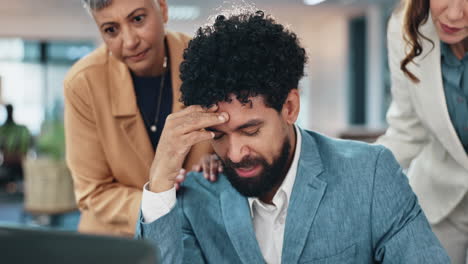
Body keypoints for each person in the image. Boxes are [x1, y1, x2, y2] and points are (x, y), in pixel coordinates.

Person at [135, 10, 449, 263]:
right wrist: (160, 178)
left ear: (290, 107)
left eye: (251, 130)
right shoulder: (195, 198)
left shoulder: (369, 175)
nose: (233, 153)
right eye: (218, 135)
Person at [64, 0, 219, 237]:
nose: (130, 42)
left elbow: (237, 139)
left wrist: (221, 163)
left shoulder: (210, 64)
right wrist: (160, 202)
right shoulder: (83, 83)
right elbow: (93, 193)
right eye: (111, 30)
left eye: (137, 19)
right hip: (116, 242)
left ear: (163, 9)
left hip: (198, 238)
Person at [376, 0, 468, 262]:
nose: (454, 13)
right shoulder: (403, 28)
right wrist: (355, 176)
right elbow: (407, 129)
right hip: (440, 195)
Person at [0, 104, 31, 193]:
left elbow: (24, 150)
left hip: (19, 165)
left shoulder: (22, 130)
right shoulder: (3, 129)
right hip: (7, 165)